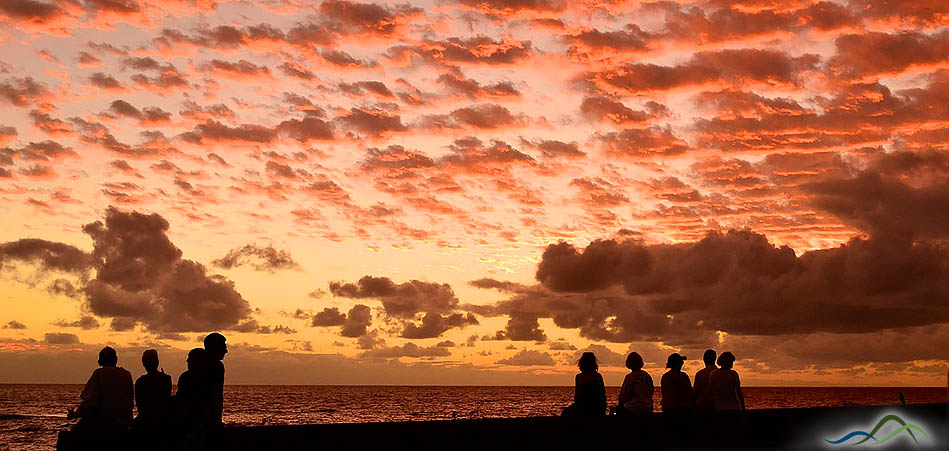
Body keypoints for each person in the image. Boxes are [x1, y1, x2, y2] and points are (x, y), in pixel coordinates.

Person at [68, 346, 134, 431]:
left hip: (103, 423)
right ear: (116, 359)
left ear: (100, 361)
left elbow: (90, 402)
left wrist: (75, 414)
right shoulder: (127, 375)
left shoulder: (98, 374)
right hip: (124, 423)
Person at [134, 349, 172, 429]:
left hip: (145, 422)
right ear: (157, 362)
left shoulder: (140, 381)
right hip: (163, 421)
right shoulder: (166, 379)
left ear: (144, 363)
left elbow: (140, 406)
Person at [562, 352, 607, 416]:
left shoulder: (579, 377)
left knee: (565, 413)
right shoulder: (598, 376)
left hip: (584, 407)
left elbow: (578, 396)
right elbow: (603, 394)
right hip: (598, 407)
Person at [203, 332, 228, 427]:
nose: (226, 351)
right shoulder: (216, 366)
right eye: (223, 347)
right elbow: (215, 395)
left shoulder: (216, 365)